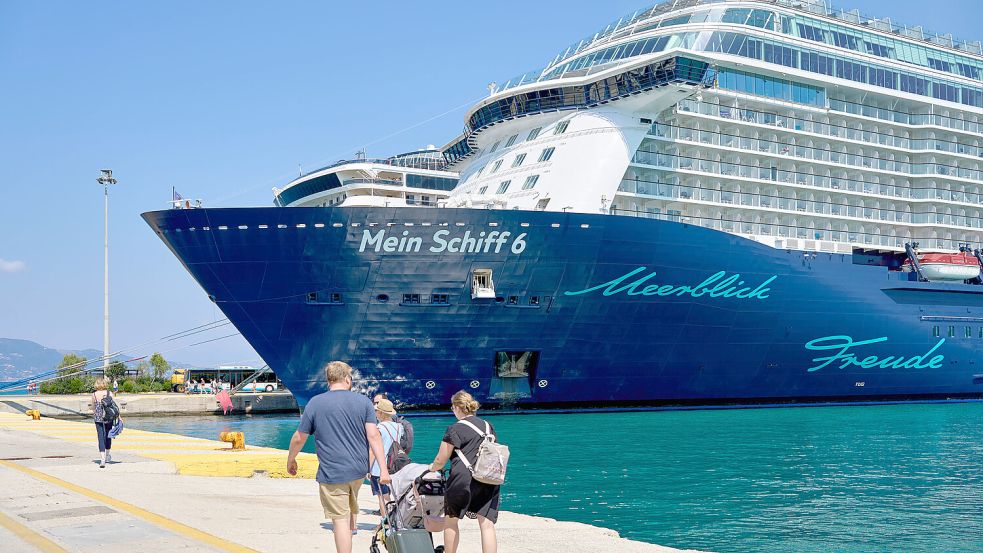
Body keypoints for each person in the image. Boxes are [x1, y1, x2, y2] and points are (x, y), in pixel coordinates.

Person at [286, 361, 390, 553]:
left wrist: (291, 459)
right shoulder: (364, 402)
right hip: (358, 472)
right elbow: (374, 436)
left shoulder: (315, 403)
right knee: (348, 513)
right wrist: (383, 470)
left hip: (333, 473)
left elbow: (299, 438)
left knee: (340, 521)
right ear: (347, 379)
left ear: (329, 380)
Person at [429, 391, 500, 553]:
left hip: (462, 480)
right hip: (488, 477)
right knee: (487, 524)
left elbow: (441, 459)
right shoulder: (488, 426)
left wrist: (431, 467)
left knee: (451, 522)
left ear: (456, 407)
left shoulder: (454, 428)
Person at [367, 398, 403, 517]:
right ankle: (392, 520)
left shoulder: (379, 428)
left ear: (381, 413)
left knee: (383, 497)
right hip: (394, 466)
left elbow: (373, 450)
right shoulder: (399, 427)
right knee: (391, 494)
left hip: (378, 468)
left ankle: (386, 523)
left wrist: (367, 468)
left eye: (376, 411)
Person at [92, 377, 114, 468]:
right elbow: (113, 406)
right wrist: (119, 417)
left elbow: (93, 407)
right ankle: (107, 455)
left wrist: (95, 413)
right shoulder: (109, 393)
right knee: (108, 435)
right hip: (108, 417)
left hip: (98, 417)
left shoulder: (94, 394)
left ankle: (102, 459)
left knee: (100, 437)